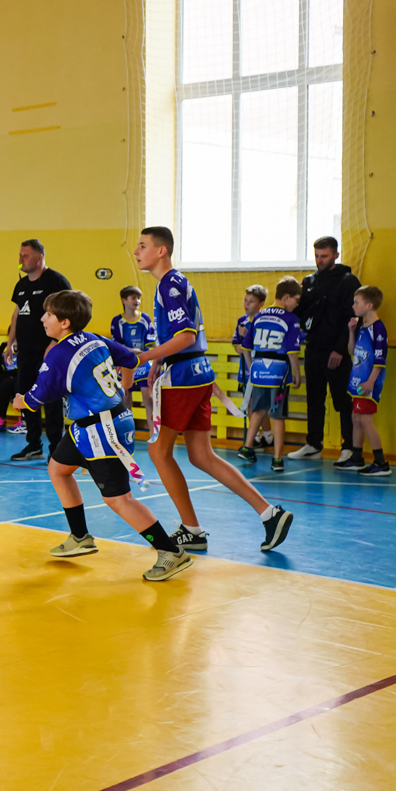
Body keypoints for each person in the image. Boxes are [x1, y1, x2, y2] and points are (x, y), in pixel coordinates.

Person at [134, 227, 294, 553]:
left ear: (161, 251)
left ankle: (191, 529)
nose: (136, 251)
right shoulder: (174, 282)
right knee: (201, 455)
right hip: (196, 371)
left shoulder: (169, 284)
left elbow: (186, 336)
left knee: (158, 452)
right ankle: (269, 513)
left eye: (142, 245)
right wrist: (157, 361)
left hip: (183, 375)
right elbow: (178, 335)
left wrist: (144, 356)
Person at [15, 290, 193, 581]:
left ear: (64, 322)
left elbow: (36, 398)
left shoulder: (59, 354)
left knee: (119, 499)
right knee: (58, 469)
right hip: (90, 425)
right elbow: (131, 360)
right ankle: (80, 536)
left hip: (101, 431)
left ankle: (170, 551)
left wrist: (20, 400)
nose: (43, 318)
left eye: (48, 314)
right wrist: (124, 388)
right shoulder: (93, 338)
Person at [289, 237, 361, 462]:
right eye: (317, 256)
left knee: (343, 400)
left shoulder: (348, 281)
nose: (319, 260)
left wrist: (340, 350)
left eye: (324, 256)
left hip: (337, 351)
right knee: (314, 399)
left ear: (336, 255)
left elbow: (352, 317)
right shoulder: (310, 281)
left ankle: (349, 447)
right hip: (313, 348)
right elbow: (301, 312)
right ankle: (313, 444)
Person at [9, 239, 72, 461]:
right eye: (20, 255)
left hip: (49, 353)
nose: (21, 259)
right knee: (27, 396)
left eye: (25, 255)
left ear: (39, 257)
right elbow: (17, 313)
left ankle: (56, 448)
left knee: (51, 399)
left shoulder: (56, 282)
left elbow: (68, 315)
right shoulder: (21, 285)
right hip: (25, 353)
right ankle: (34, 445)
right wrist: (10, 341)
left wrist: (54, 343)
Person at [237, 278, 303, 473]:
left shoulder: (259, 316)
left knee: (258, 409)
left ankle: (247, 447)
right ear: (287, 297)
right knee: (277, 414)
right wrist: (296, 373)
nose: (297, 305)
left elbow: (245, 347)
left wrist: (252, 368)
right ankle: (277, 458)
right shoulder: (291, 319)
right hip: (278, 372)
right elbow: (292, 351)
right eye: (296, 300)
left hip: (258, 369)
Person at [339, 286, 391, 476]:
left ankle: (381, 462)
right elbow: (352, 351)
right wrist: (351, 331)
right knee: (356, 418)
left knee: (366, 420)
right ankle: (356, 458)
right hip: (357, 380)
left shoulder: (378, 328)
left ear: (369, 305)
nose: (353, 306)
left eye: (356, 302)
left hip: (369, 382)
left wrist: (371, 382)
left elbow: (380, 359)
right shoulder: (362, 327)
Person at [109, 285, 157, 431]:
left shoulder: (145, 319)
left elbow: (150, 343)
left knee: (148, 398)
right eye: (133, 298)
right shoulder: (117, 321)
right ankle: (127, 433)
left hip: (143, 363)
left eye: (139, 298)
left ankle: (153, 435)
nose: (137, 301)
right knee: (125, 399)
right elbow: (118, 346)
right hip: (126, 364)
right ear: (124, 300)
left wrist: (151, 353)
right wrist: (135, 351)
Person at [232, 285, 270, 446]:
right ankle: (254, 438)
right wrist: (242, 346)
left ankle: (268, 436)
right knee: (249, 402)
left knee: (260, 404)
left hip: (261, 369)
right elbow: (236, 346)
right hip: (245, 370)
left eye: (251, 301)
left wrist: (248, 339)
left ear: (261, 303)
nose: (247, 304)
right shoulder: (242, 321)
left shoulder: (265, 321)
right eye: (245, 300)